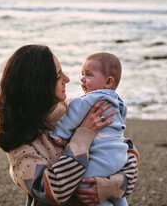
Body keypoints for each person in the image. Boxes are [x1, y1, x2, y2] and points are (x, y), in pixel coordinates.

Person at [0, 45, 139, 206]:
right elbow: (51, 191)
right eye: (59, 76)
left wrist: (111, 186)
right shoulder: (19, 143)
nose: (67, 79)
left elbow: (124, 150)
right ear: (38, 85)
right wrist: (84, 134)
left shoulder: (78, 107)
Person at [50, 53, 130, 206]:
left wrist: (60, 133)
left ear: (108, 82)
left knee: (84, 185)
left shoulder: (90, 99)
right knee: (113, 191)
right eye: (82, 74)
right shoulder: (117, 101)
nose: (82, 79)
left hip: (102, 156)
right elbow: (122, 117)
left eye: (88, 75)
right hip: (120, 155)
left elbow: (73, 114)